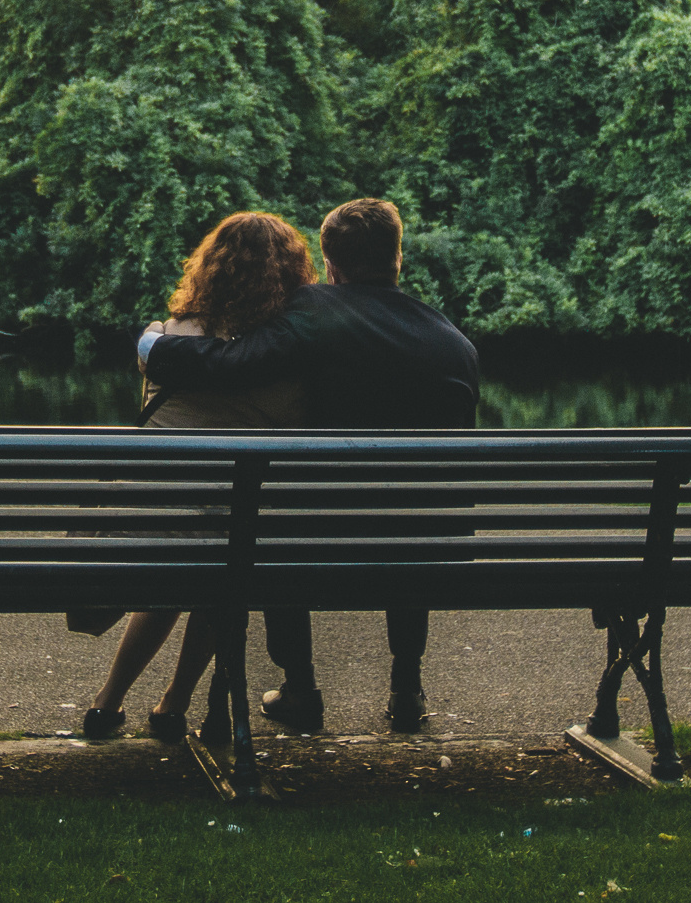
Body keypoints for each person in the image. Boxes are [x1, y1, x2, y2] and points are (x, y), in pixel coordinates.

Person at [138, 197, 478, 734]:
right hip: (436, 542)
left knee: (274, 524)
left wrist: (154, 346)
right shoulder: (453, 340)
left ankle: (300, 687)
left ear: (332, 262)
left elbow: (233, 363)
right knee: (412, 507)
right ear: (398, 257)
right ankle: (406, 688)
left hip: (323, 537)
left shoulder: (315, 310)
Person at [79, 211, 315, 741]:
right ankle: (173, 704)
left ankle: (107, 702)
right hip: (233, 535)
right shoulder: (287, 356)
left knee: (184, 554)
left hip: (150, 528)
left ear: (209, 268)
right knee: (223, 562)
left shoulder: (165, 339)